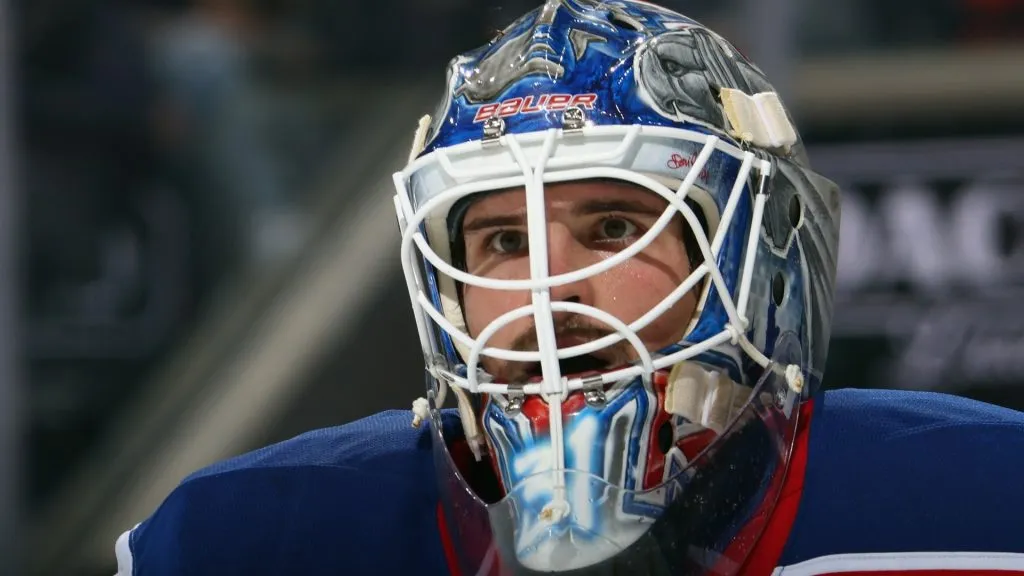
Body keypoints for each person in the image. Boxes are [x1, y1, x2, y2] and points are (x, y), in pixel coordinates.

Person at [114, 2, 1024, 575]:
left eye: (613, 228)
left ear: (761, 256)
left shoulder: (981, 501)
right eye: (503, 239)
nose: (550, 287)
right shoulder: (248, 537)